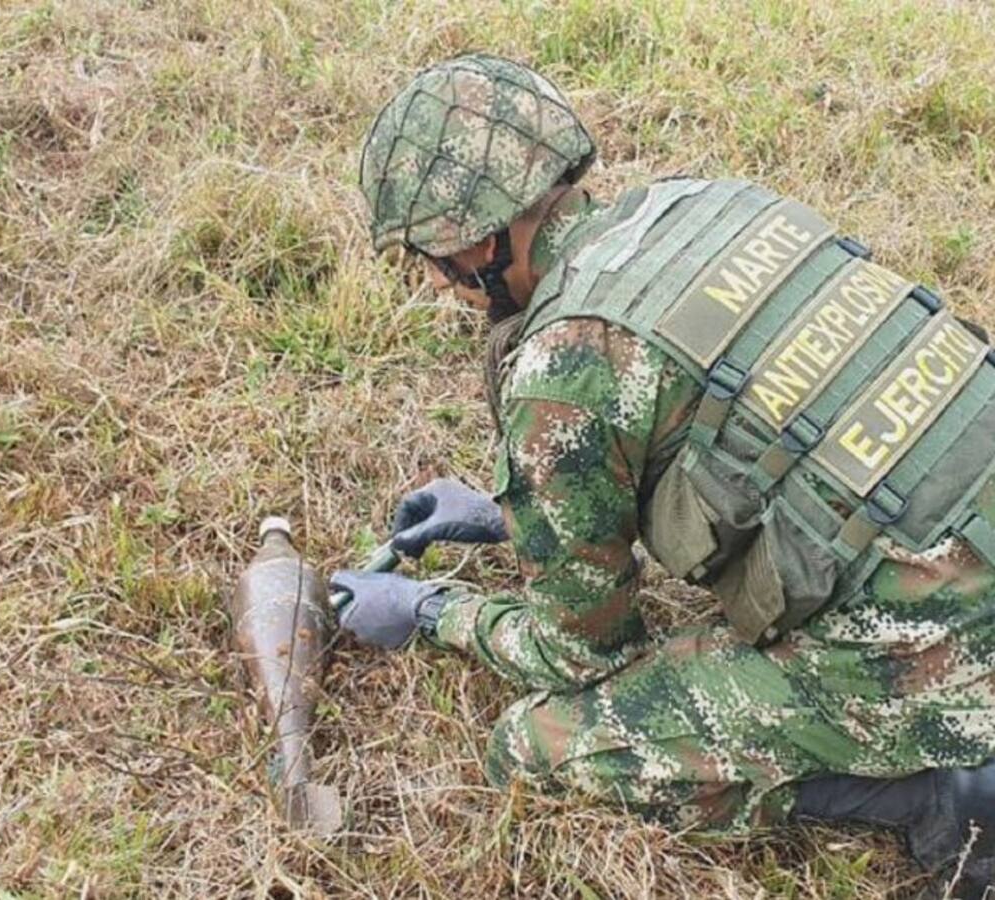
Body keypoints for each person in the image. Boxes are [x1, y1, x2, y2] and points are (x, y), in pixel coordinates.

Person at [329, 53, 995, 898]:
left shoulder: (564, 364)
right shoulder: (713, 205)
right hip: (959, 519)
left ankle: (942, 788)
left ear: (485, 242)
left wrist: (432, 611)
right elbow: (769, 436)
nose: (434, 278)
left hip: (948, 648)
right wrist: (517, 514)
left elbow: (578, 651)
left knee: (541, 748)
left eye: (434, 255)